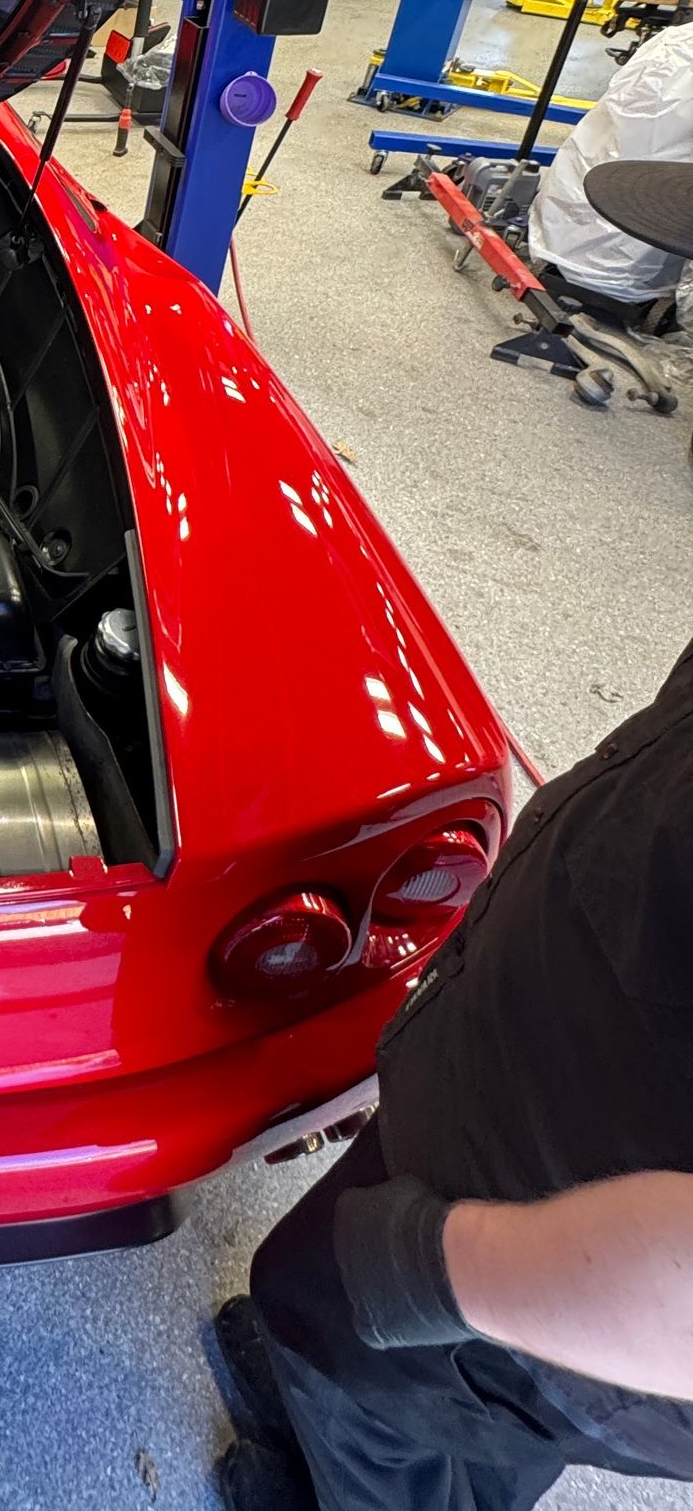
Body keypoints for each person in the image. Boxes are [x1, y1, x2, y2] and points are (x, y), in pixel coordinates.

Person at [212, 639, 693, 1511]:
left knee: (335, 1329)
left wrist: (431, 1272)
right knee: (489, 1417)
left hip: (567, 1257)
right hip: (521, 1094)